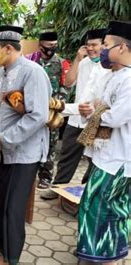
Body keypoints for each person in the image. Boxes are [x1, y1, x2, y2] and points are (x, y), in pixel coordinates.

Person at [0, 25, 51, 265]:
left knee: (13, 209)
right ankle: (3, 248)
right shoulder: (0, 73)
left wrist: (2, 138)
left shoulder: (33, 73)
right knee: (1, 204)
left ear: (8, 48)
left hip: (24, 154)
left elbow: (38, 116)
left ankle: (11, 258)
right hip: (3, 152)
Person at [77, 20, 131, 265]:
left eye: (107, 45)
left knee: (104, 208)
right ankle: (97, 253)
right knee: (96, 205)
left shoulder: (129, 79)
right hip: (105, 154)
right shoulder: (113, 75)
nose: (103, 50)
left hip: (119, 158)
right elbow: (101, 104)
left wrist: (94, 112)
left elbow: (116, 117)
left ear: (122, 48)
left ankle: (105, 257)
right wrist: (97, 109)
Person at [40, 28, 112, 200]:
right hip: (76, 118)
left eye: (95, 45)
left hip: (96, 121)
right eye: (88, 45)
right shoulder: (84, 62)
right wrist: (78, 59)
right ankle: (57, 187)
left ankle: (87, 194)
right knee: (67, 156)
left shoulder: (110, 68)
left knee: (93, 160)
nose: (91, 49)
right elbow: (69, 82)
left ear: (104, 45)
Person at [26, 31, 71, 189]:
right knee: (29, 141)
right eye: (48, 46)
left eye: (54, 45)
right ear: (40, 46)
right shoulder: (30, 60)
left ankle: (45, 176)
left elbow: (66, 87)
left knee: (50, 144)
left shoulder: (61, 63)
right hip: (30, 110)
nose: (52, 49)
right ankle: (28, 174)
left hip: (51, 112)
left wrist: (57, 107)